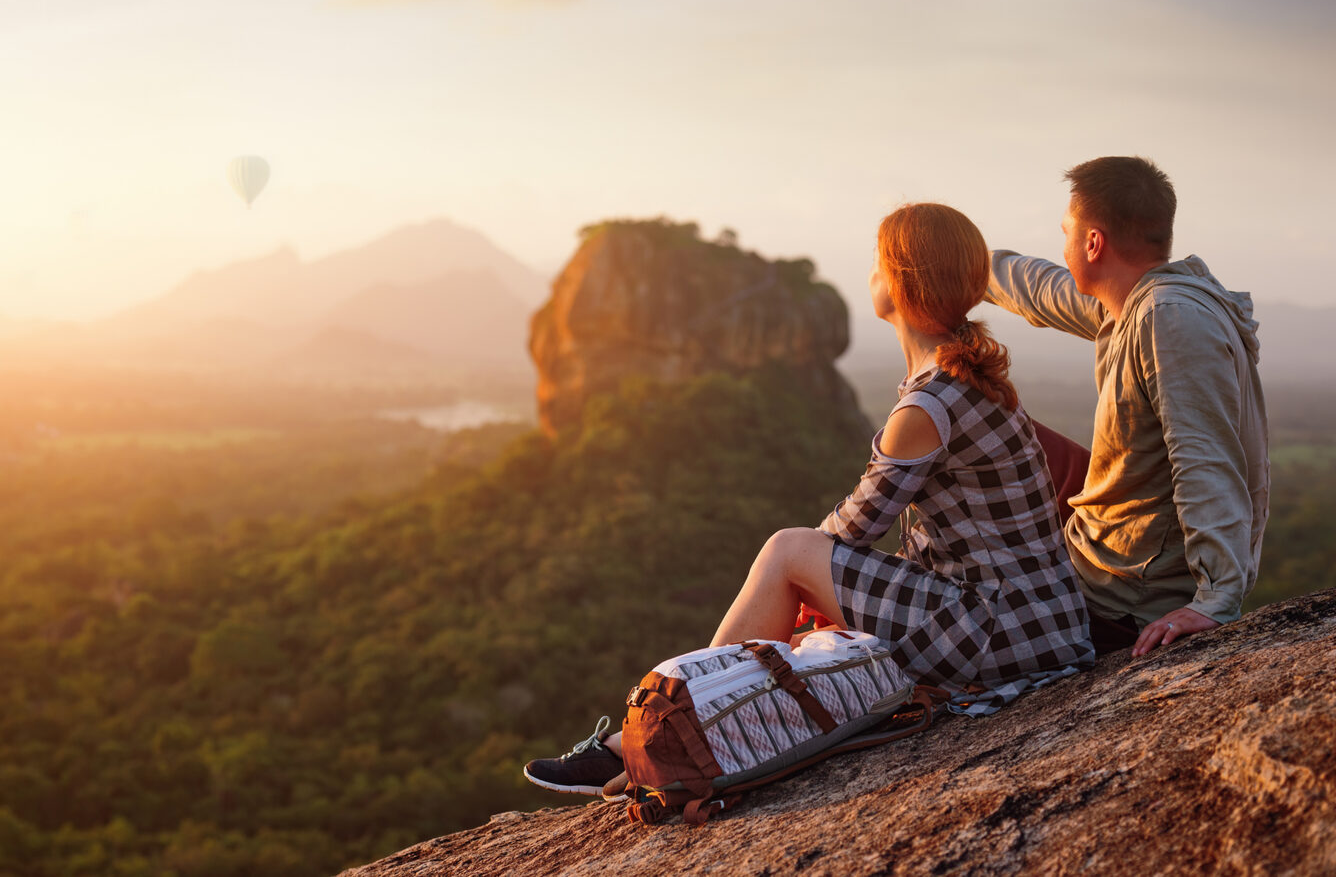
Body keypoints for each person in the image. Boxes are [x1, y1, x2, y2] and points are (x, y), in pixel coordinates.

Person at [523, 203, 1095, 799]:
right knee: (802, 613)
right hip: (1039, 623)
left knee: (785, 551)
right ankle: (657, 736)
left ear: (898, 284)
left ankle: (676, 722)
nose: (869, 275)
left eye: (877, 264)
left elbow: (849, 531)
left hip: (999, 631)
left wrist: (807, 581)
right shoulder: (971, 379)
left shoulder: (928, 407)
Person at [986, 156, 1268, 657]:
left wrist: (1217, 598)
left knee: (964, 423)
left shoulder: (1171, 319)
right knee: (994, 423)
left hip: (1127, 589)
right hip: (1121, 527)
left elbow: (1206, 460)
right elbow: (1040, 288)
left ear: (1093, 243)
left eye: (1067, 233)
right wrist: (963, 262)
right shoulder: (1138, 300)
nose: (1064, 245)